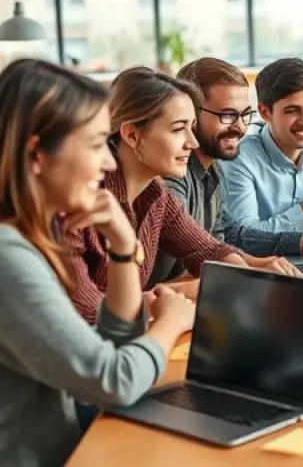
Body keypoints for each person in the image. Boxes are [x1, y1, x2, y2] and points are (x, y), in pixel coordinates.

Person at [0, 59, 195, 466]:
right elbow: (115, 379)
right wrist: (170, 323)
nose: (108, 163)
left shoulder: (30, 236)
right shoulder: (8, 257)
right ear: (37, 154)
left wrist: (123, 248)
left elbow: (114, 343)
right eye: (93, 145)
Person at [63, 67, 248, 324]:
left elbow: (206, 249)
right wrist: (170, 295)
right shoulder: (80, 204)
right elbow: (87, 312)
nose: (192, 143)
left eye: (192, 128)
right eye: (177, 129)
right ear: (131, 134)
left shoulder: (156, 193)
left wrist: (240, 273)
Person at [150, 58, 303, 286]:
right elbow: (195, 248)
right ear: (192, 114)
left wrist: (265, 262)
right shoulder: (171, 175)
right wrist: (250, 270)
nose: (240, 127)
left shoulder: (213, 168)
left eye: (245, 115)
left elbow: (228, 236)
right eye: (227, 115)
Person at [220, 58, 303, 232]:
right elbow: (247, 234)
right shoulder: (239, 159)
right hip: (261, 259)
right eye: (292, 111)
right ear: (265, 112)